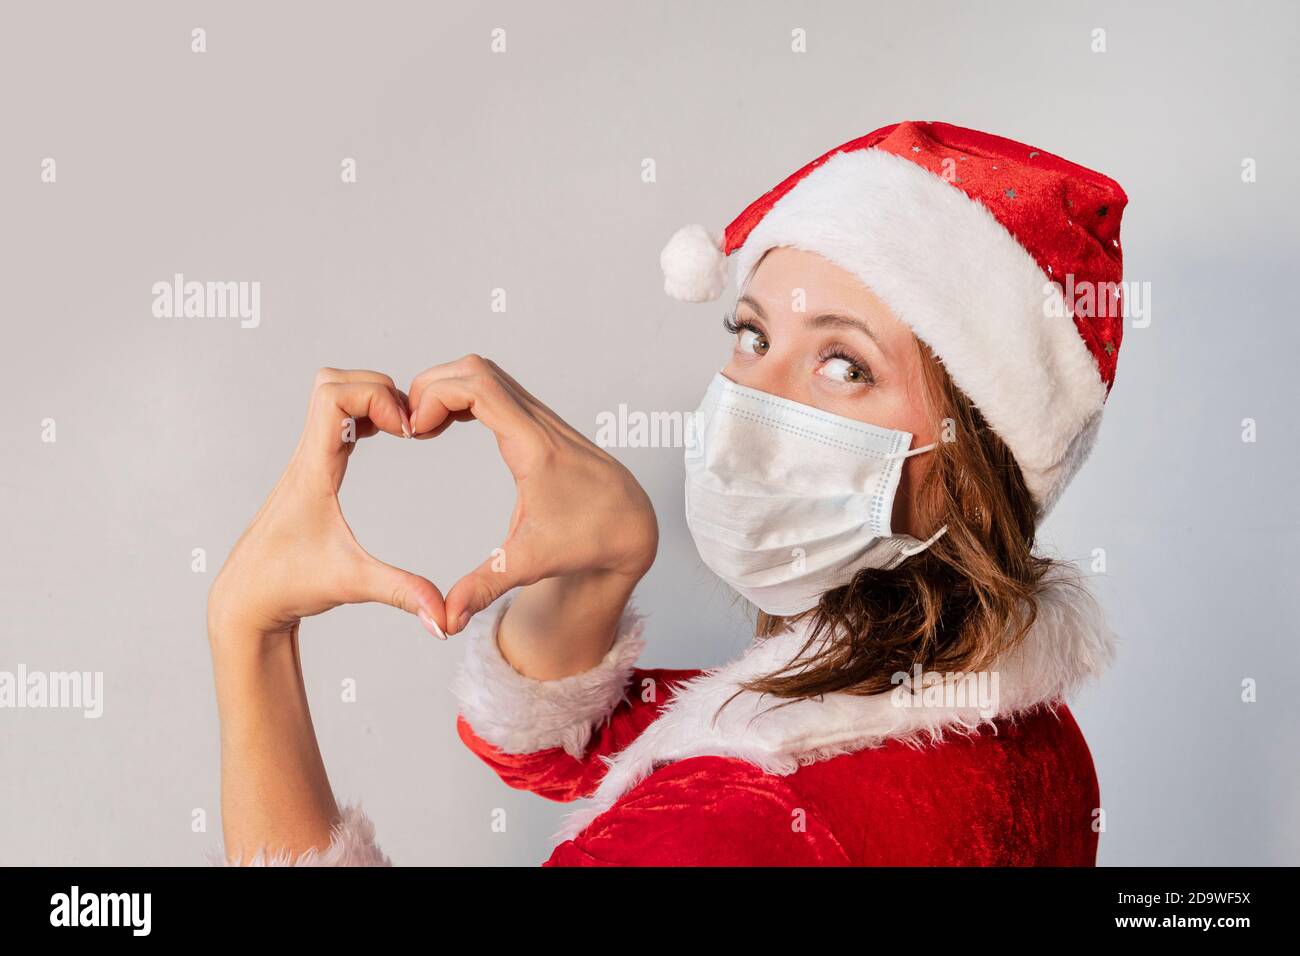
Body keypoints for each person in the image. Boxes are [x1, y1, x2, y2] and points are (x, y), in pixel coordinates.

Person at [208, 121, 1125, 866]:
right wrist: (597, 568)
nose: (752, 402)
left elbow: (708, 814)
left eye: (843, 365)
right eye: (755, 337)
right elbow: (593, 752)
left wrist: (248, 631)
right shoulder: (1022, 742)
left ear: (975, 459)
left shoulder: (747, 824)